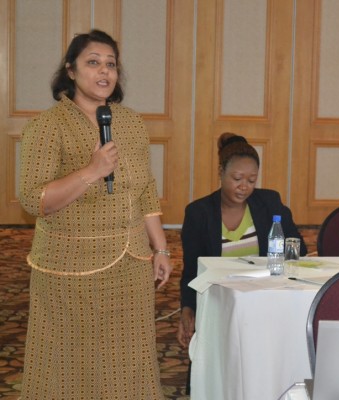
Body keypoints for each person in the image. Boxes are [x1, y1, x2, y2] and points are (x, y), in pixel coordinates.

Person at [18, 30, 172, 399]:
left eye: (111, 64)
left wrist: (161, 248)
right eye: (93, 62)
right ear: (70, 71)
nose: (104, 71)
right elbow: (34, 200)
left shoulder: (131, 122)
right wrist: (91, 171)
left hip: (130, 263)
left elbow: (145, 189)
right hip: (69, 268)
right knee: (68, 362)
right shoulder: (48, 125)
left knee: (129, 360)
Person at [178, 132, 307, 347]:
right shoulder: (199, 213)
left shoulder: (269, 203)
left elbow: (298, 248)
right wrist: (187, 309)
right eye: (237, 179)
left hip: (264, 297)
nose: (244, 186)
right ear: (221, 172)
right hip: (219, 301)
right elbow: (192, 269)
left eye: (251, 180)